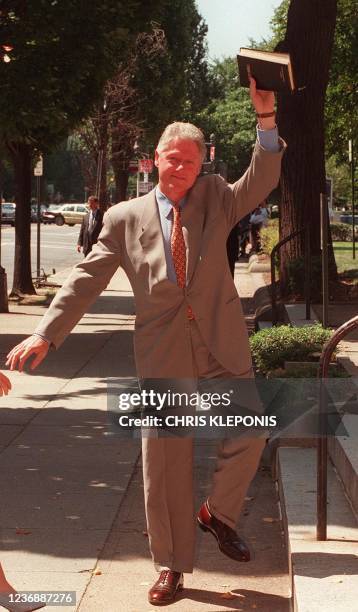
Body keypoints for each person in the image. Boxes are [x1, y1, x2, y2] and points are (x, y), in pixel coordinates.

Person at [6, 78, 286, 606]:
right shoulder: (122, 218)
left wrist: (266, 121)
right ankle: (171, 567)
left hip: (222, 344)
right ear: (154, 159)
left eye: (189, 160)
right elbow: (85, 279)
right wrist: (46, 332)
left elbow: (262, 178)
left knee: (250, 427)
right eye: (171, 158)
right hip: (162, 353)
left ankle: (218, 514)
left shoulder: (217, 197)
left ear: (202, 163)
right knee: (165, 465)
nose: (180, 168)